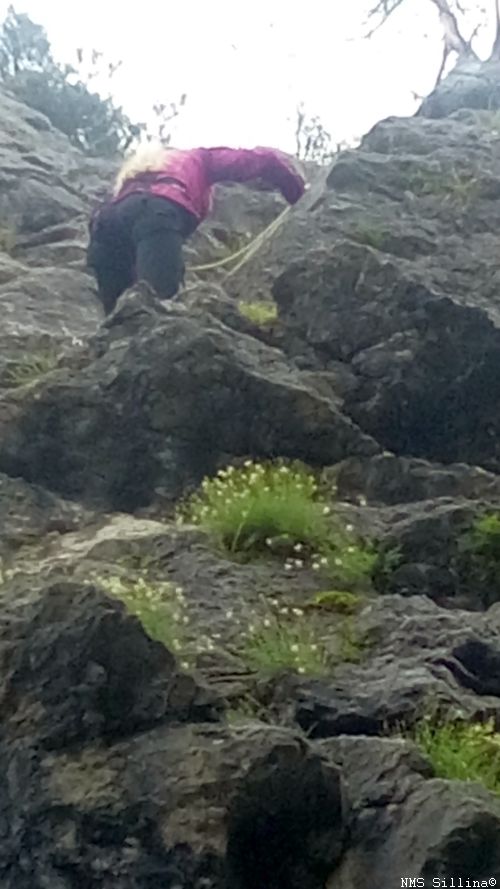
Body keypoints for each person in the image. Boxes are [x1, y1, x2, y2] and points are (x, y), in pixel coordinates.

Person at [87, 143, 306, 315]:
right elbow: (260, 160)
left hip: (104, 227)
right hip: (156, 216)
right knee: (157, 311)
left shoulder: (131, 179)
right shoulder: (198, 159)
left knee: (117, 322)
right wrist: (298, 194)